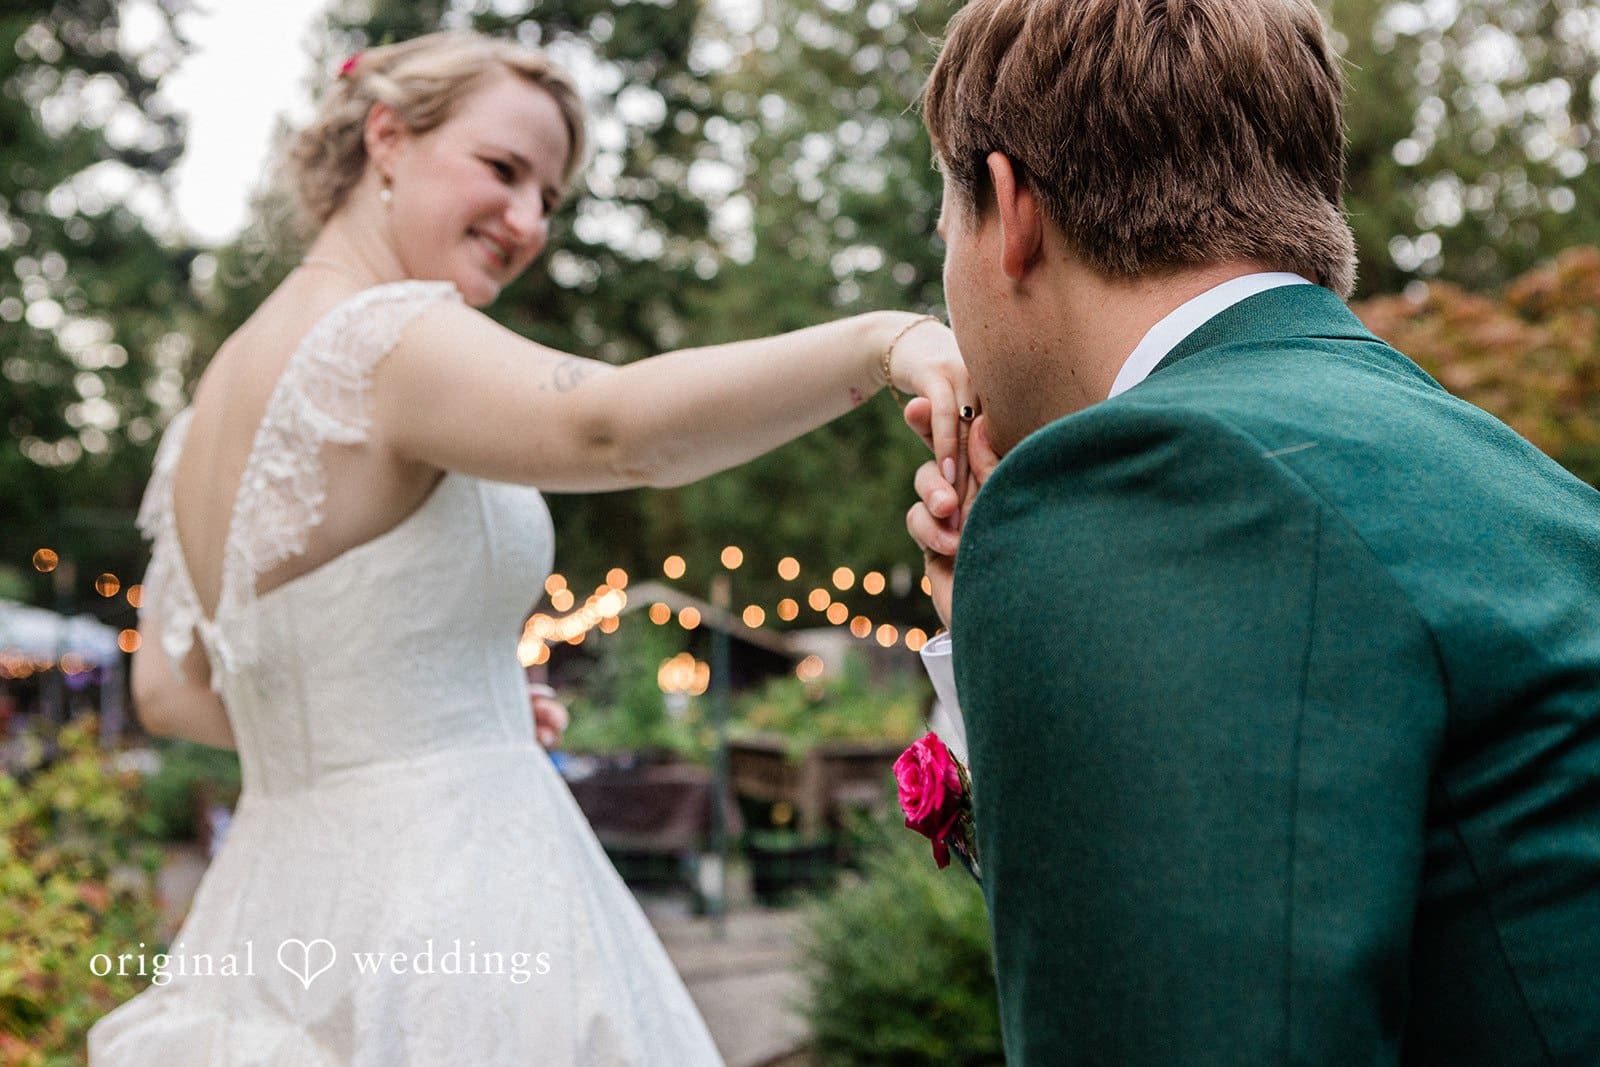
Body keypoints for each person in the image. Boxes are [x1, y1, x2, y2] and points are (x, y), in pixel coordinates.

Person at [89, 30, 971, 1064]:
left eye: (548, 197)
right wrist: (878, 340)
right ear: (386, 137)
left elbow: (167, 688)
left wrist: (430, 713)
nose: (527, 222)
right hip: (447, 907)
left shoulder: (205, 409)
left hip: (275, 906)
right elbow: (610, 427)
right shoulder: (381, 335)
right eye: (502, 170)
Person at [903, 0, 1600, 1063]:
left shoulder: (1154, 482)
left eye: (941, 224)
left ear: (1010, 210)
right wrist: (1004, 610)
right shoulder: (1514, 478)